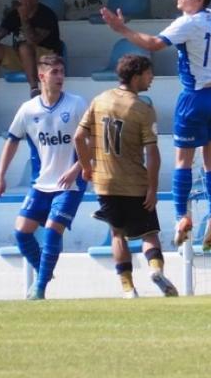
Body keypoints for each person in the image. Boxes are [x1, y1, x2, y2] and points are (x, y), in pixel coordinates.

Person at [100, 0, 211, 251]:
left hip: (195, 96)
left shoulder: (187, 23)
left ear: (199, 0)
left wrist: (122, 29)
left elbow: (153, 44)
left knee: (183, 161)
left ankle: (182, 217)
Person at [74, 54, 178, 299]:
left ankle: (128, 288)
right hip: (135, 183)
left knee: (117, 233)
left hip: (104, 183)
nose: (151, 78)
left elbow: (79, 137)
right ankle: (155, 270)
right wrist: (152, 188)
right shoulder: (143, 109)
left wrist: (86, 166)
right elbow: (152, 153)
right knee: (149, 233)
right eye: (148, 74)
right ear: (136, 76)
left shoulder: (99, 100)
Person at [0, 55, 87, 299]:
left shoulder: (76, 104)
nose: (60, 77)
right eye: (54, 72)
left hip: (71, 183)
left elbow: (94, 142)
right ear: (42, 76)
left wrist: (76, 168)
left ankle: (40, 288)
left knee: (53, 231)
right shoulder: (28, 110)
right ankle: (45, 272)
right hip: (41, 183)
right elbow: (12, 141)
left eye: (62, 72)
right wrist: (0, 176)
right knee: (21, 232)